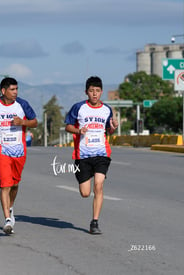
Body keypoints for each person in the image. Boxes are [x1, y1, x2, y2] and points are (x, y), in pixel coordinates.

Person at [64, 76, 118, 234]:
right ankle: (86, 180)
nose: (94, 94)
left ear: (101, 92)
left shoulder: (106, 109)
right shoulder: (78, 108)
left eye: (97, 91)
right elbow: (68, 126)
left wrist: (113, 127)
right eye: (91, 91)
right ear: (86, 92)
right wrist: (78, 130)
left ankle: (94, 222)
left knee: (99, 185)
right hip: (83, 155)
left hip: (102, 153)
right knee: (85, 193)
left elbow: (108, 129)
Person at [0, 77, 38, 234]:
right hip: (2, 150)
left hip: (19, 150)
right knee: (5, 184)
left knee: (14, 184)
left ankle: (10, 207)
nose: (15, 92)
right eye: (12, 90)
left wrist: (23, 122)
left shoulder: (22, 104)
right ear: (3, 91)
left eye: (16, 89)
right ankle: (7, 219)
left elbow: (34, 122)